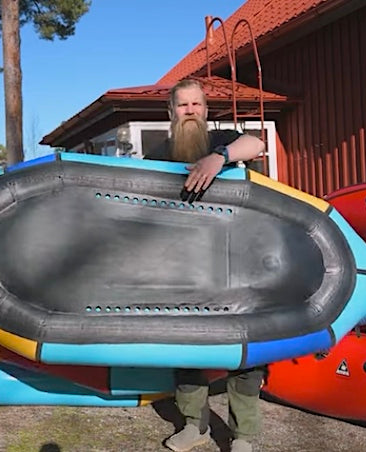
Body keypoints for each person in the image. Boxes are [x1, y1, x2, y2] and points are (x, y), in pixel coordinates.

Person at [143, 79, 266, 452]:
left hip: (236, 263)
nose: (191, 110)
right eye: (183, 105)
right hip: (181, 269)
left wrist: (220, 158)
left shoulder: (224, 139)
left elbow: (257, 144)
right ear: (171, 112)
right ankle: (194, 426)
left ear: (206, 110)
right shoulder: (157, 157)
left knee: (244, 353)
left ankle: (243, 435)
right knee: (187, 348)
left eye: (197, 104)